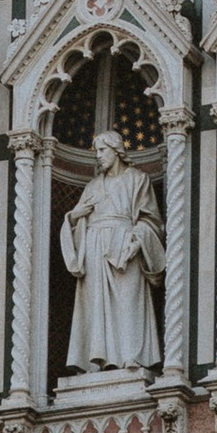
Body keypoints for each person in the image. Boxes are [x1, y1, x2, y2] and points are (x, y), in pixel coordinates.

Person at [60, 125, 164, 374]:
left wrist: (137, 240)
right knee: (96, 306)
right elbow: (76, 221)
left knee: (129, 302)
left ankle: (132, 357)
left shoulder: (137, 179)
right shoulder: (93, 186)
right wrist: (74, 217)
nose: (98, 156)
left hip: (125, 247)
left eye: (102, 150)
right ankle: (98, 359)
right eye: (96, 151)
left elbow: (151, 220)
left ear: (116, 151)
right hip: (94, 247)